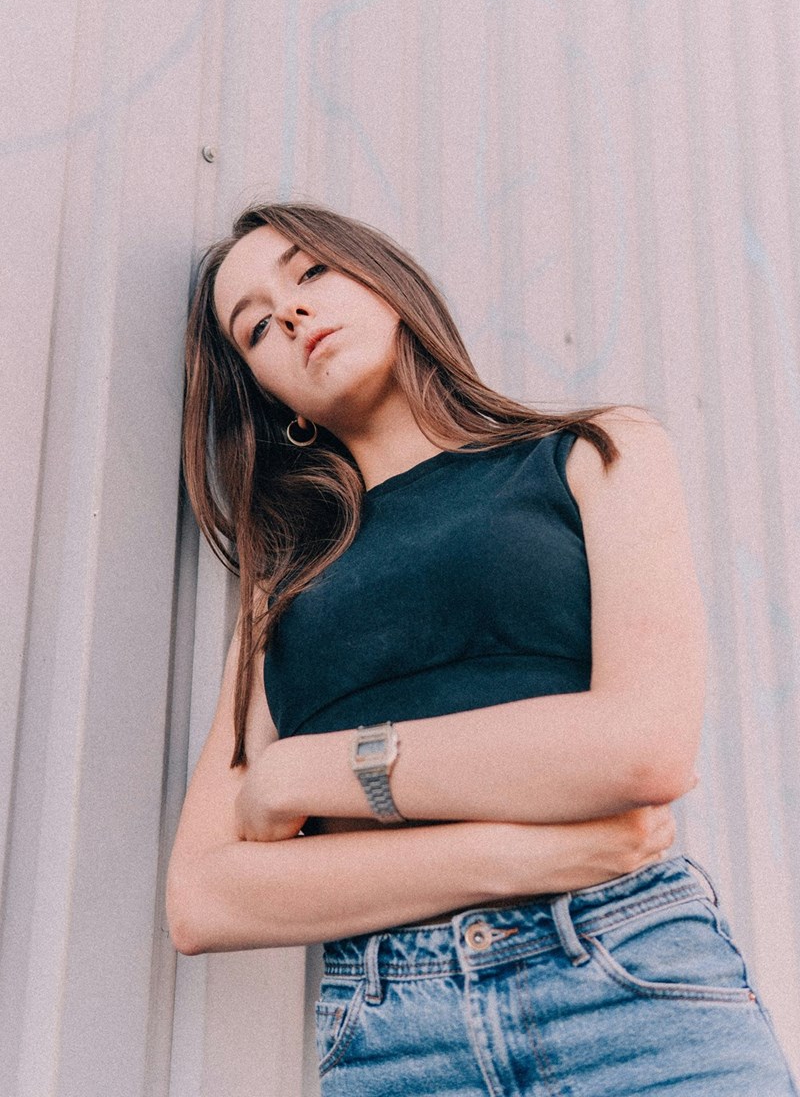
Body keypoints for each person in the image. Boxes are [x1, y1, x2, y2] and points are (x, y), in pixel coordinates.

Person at [167, 201, 798, 1096]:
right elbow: (205, 899)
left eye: (310, 274)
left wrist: (306, 773)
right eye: (259, 327)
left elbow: (642, 747)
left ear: (385, 279)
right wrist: (524, 854)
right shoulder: (283, 584)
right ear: (271, 397)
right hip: (396, 1033)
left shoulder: (595, 453)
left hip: (629, 976)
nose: (293, 314)